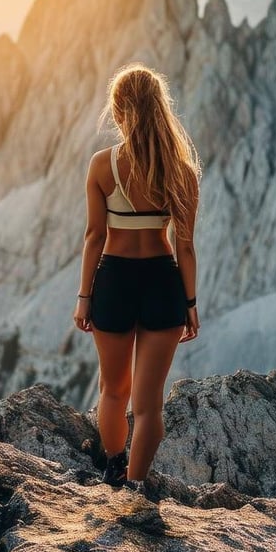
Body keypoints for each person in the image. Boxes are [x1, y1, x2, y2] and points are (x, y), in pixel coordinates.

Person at [73, 62, 201, 499]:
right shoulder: (181, 170)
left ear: (119, 111)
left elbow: (94, 236)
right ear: (158, 109)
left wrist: (84, 296)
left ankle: (112, 468)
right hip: (163, 284)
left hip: (114, 282)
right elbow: (185, 246)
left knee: (112, 390)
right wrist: (190, 303)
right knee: (149, 405)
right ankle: (136, 486)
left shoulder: (101, 165)